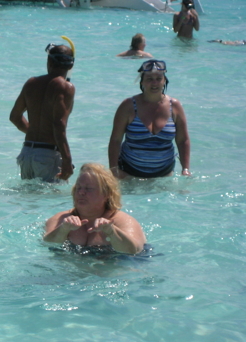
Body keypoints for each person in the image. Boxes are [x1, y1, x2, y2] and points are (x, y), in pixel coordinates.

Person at [108, 59, 191, 179]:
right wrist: (113, 170)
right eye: (149, 79)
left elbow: (183, 140)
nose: (154, 83)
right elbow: (115, 140)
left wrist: (186, 169)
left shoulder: (175, 106)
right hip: (128, 173)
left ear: (164, 81)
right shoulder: (128, 106)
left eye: (158, 79)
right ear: (142, 82)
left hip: (164, 175)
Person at [44, 163, 146, 255]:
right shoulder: (61, 219)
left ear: (106, 194)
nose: (81, 193)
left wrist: (112, 232)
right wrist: (63, 229)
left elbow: (134, 250)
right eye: (78, 188)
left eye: (88, 189)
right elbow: (47, 243)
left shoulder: (121, 221)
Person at [9, 43, 75, 182]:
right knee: (53, 202)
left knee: (29, 201)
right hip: (47, 155)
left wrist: (33, 131)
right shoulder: (65, 87)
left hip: (26, 153)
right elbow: (59, 125)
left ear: (49, 61)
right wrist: (67, 160)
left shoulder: (31, 83)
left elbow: (15, 117)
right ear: (70, 66)